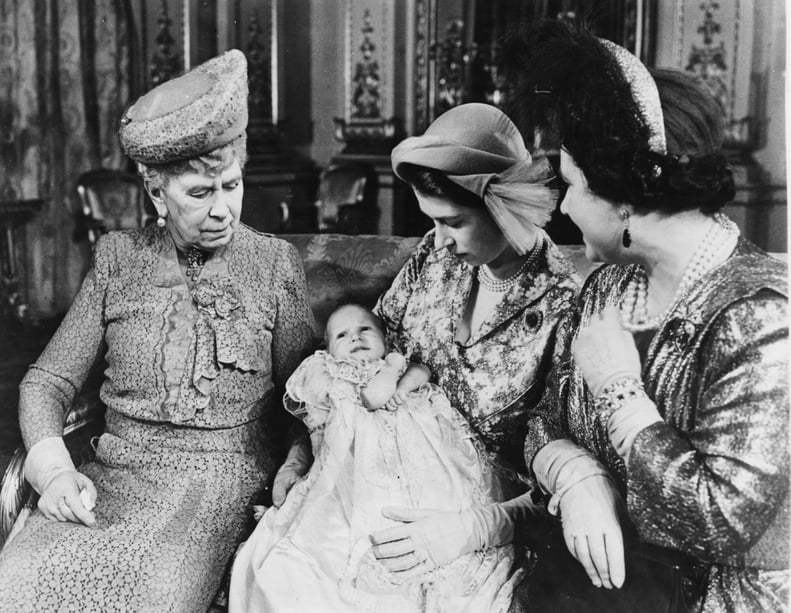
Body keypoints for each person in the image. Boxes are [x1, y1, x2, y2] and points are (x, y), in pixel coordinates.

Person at [0, 49, 315, 611]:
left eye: (232, 186)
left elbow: (308, 403)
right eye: (200, 193)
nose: (223, 210)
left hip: (221, 483)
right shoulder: (119, 259)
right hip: (113, 475)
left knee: (154, 591)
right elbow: (45, 383)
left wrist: (294, 469)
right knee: (18, 582)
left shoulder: (274, 266)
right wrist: (53, 474)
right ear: (155, 195)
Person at [504, 21, 788, 612]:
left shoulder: (760, 317)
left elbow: (723, 521)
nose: (563, 204)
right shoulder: (608, 284)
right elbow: (541, 423)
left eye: (574, 182)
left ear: (631, 190)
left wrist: (619, 392)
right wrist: (577, 475)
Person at [363, 103, 581, 607]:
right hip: (392, 480)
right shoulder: (432, 259)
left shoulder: (563, 305)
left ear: (503, 205)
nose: (439, 242)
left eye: (453, 222)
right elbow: (371, 350)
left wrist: (476, 529)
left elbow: (570, 471)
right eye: (432, 223)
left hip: (481, 525)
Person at [231, 302, 524, 611]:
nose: (355, 338)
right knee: (343, 530)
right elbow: (373, 397)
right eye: (342, 335)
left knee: (441, 498)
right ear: (328, 350)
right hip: (357, 468)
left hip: (415, 456)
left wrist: (406, 378)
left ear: (386, 340)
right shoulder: (336, 373)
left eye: (365, 329)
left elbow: (424, 371)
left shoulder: (400, 364)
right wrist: (394, 369)